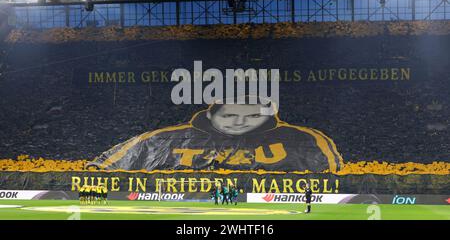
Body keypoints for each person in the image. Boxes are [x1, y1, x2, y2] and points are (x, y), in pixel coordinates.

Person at [88, 97, 343, 172]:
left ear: (266, 118)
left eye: (253, 116)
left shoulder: (302, 137)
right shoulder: (166, 137)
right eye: (230, 115)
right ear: (210, 116)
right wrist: (98, 167)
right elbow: (131, 149)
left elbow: (331, 165)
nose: (240, 123)